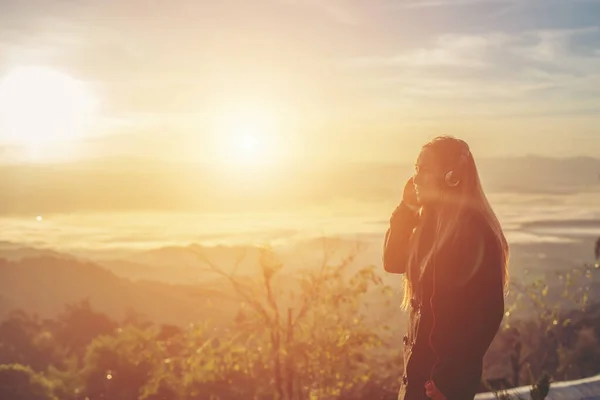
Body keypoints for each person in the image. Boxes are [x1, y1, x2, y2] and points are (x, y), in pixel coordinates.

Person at [383, 135, 510, 400]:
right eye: (416, 169)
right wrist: (407, 208)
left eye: (424, 169)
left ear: (452, 177)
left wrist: (449, 381)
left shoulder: (473, 231)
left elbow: (487, 313)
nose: (415, 178)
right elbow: (393, 261)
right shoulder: (430, 225)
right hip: (418, 379)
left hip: (438, 388)